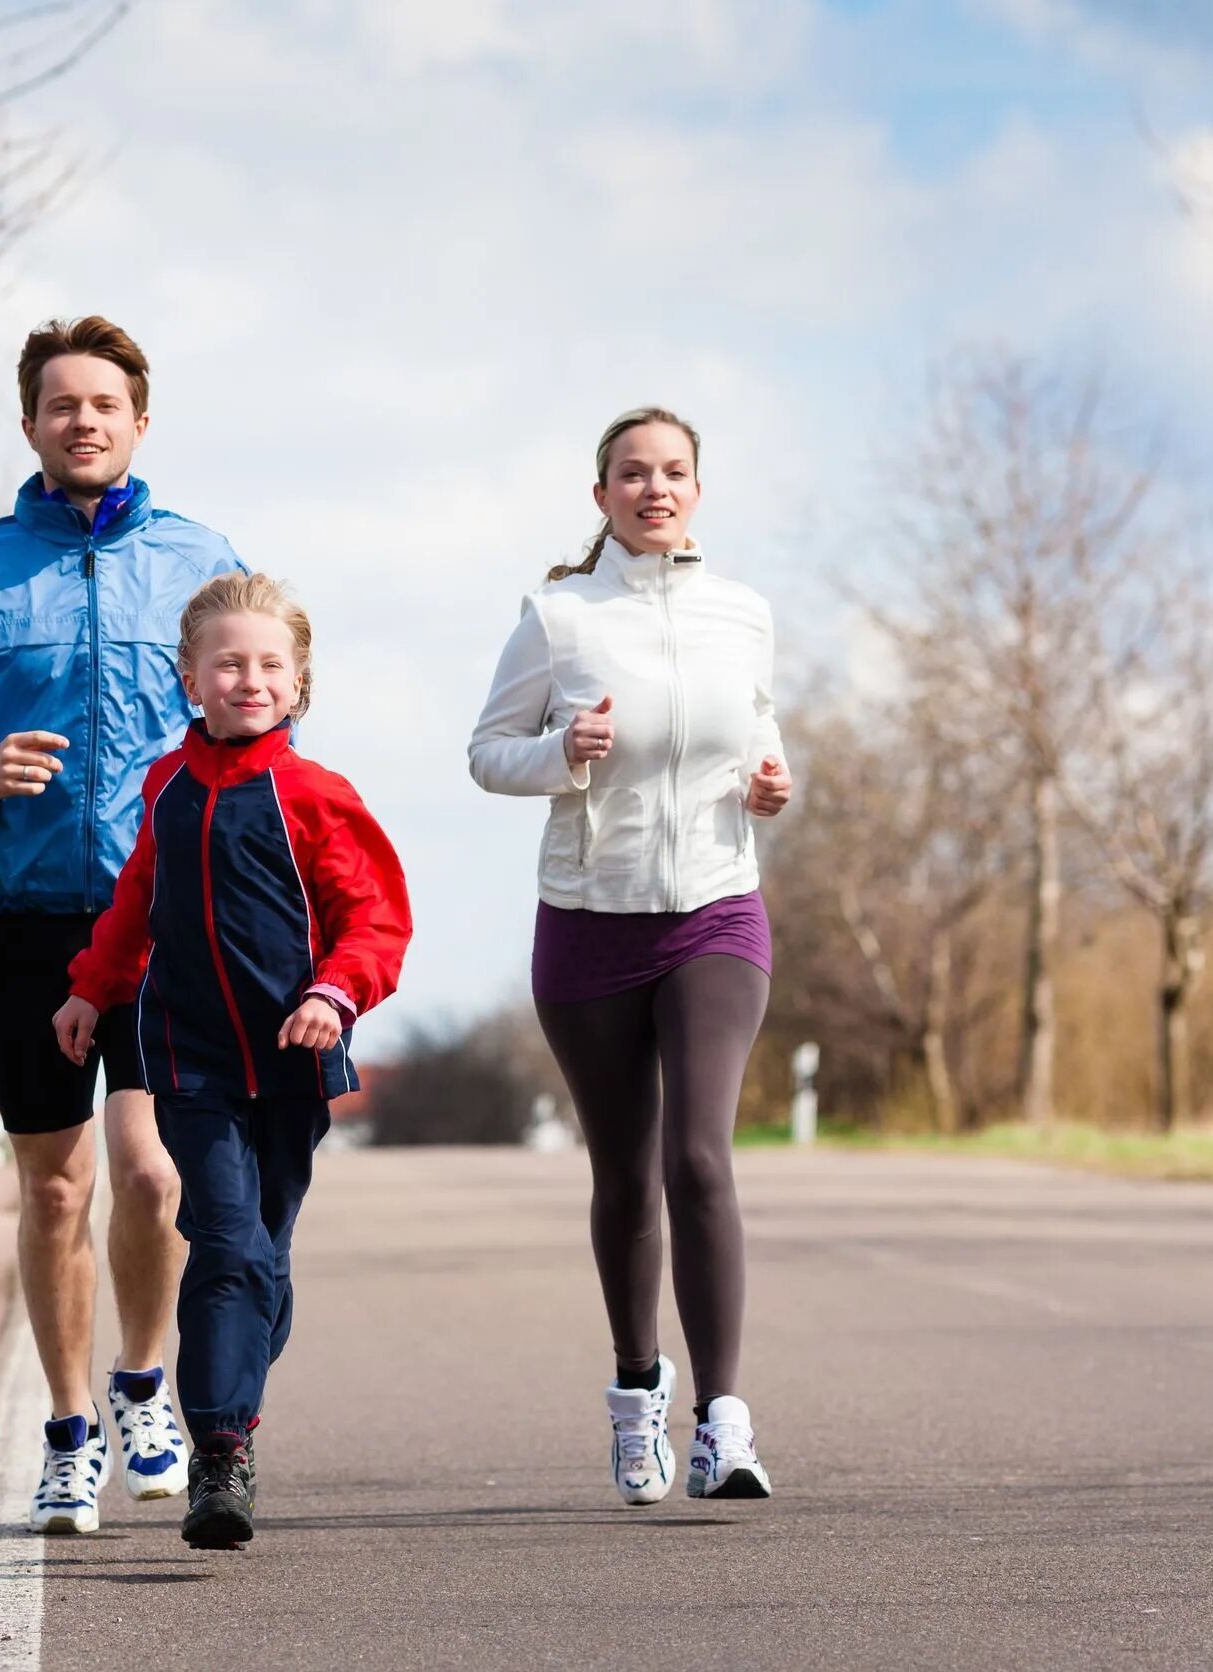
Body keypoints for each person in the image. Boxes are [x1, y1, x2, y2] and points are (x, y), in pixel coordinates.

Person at [0, 317, 244, 1532]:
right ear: (28, 424)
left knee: (150, 1172)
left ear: (140, 422)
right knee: (53, 1188)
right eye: (59, 403)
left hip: (167, 908)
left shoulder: (203, 560)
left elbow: (258, 708)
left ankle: (146, 1385)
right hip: (24, 909)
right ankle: (69, 1426)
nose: (82, 420)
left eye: (104, 403)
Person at [466, 406, 794, 1508]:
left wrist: (771, 785)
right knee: (626, 1174)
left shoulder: (742, 614)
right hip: (591, 919)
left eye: (674, 473)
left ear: (698, 489)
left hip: (716, 909)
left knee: (698, 1157)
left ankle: (726, 1421)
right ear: (601, 494)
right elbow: (485, 754)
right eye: (632, 474)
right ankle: (635, 1390)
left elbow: (760, 732)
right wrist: (561, 753)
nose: (655, 489)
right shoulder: (559, 618)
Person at [54, 571, 410, 1549]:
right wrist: (94, 983)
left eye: (268, 665)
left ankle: (232, 1411)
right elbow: (137, 898)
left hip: (293, 1059)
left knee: (267, 1256)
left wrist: (334, 995)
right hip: (189, 1053)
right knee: (224, 1241)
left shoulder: (317, 795)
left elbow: (373, 919)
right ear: (190, 677)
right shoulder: (165, 784)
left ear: (298, 682)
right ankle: (221, 1449)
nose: (247, 680)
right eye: (227, 663)